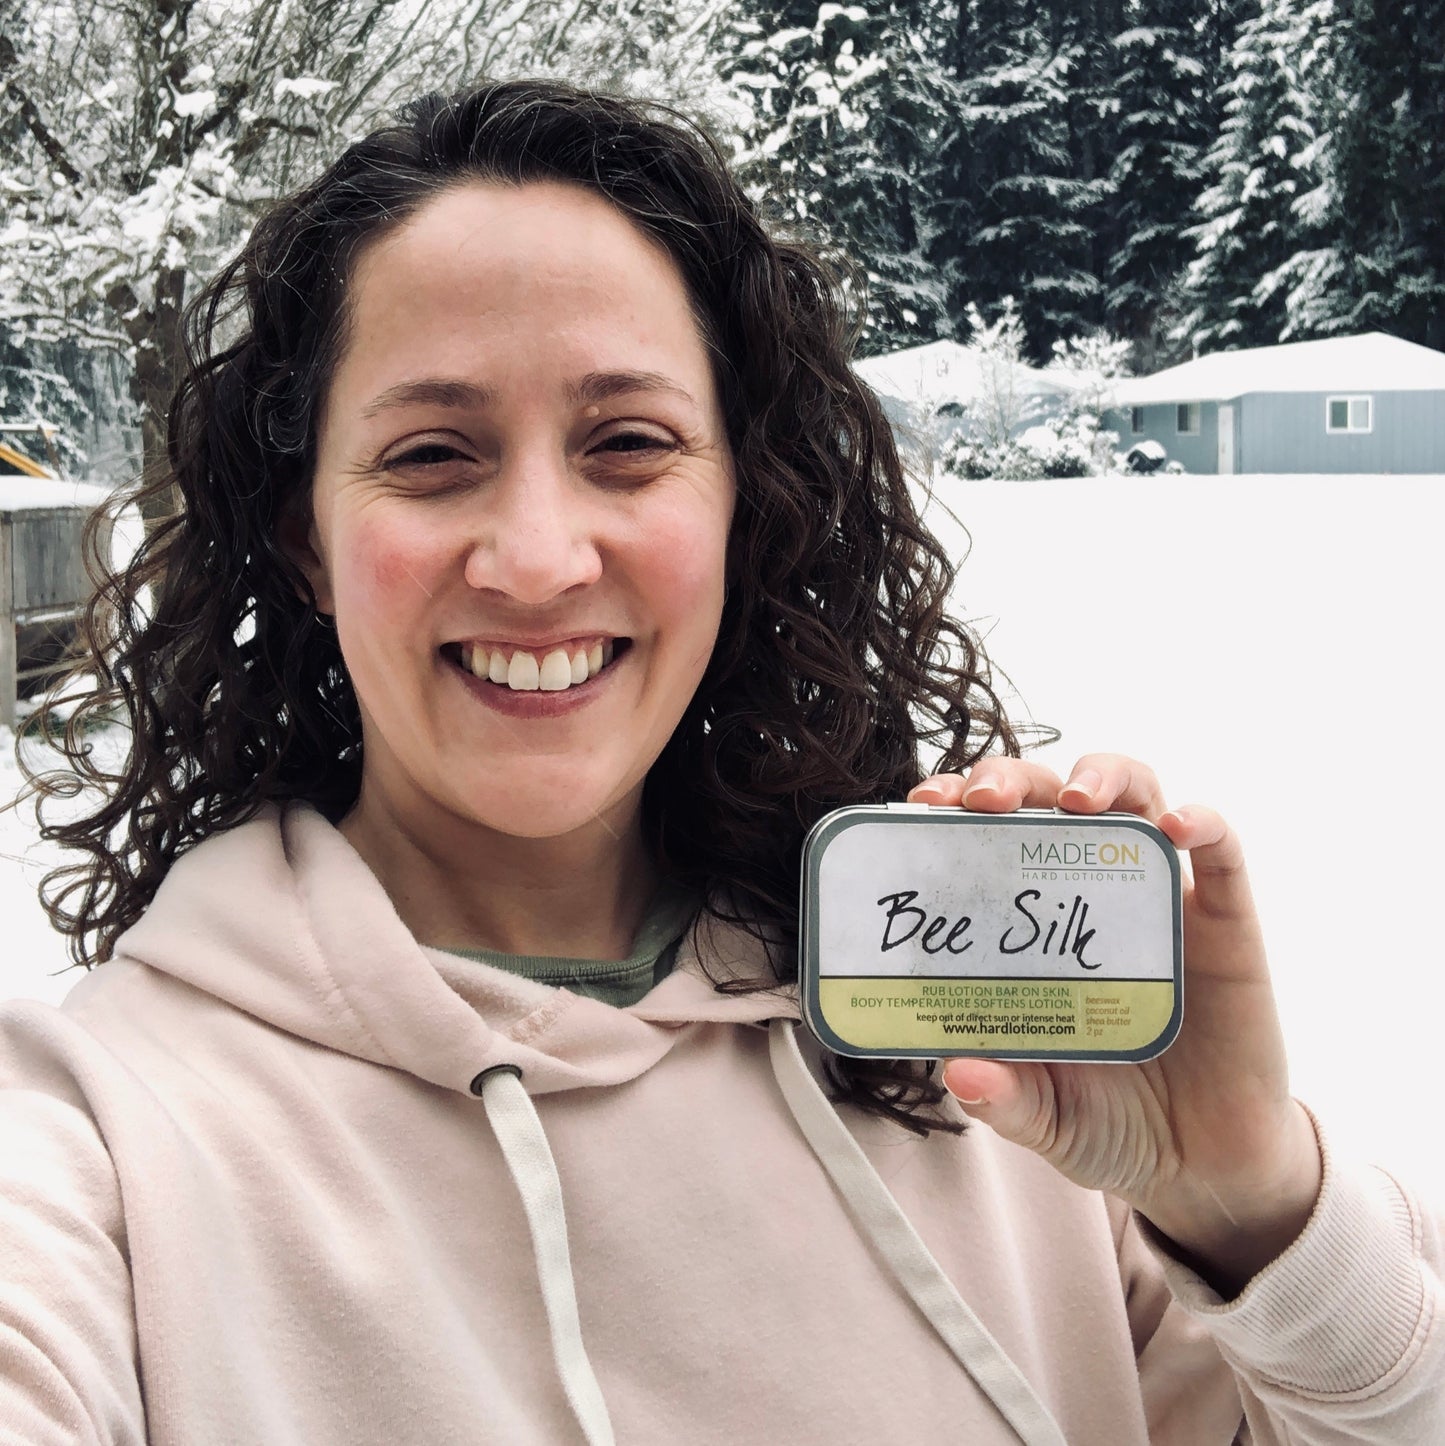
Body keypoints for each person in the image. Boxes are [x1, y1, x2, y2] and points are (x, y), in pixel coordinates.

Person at [1, 78, 1439, 1445]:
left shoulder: (974, 1044)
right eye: (435, 454)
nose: (541, 557)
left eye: (627, 441)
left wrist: (1254, 1205)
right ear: (307, 537)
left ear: (745, 506)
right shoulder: (100, 1135)